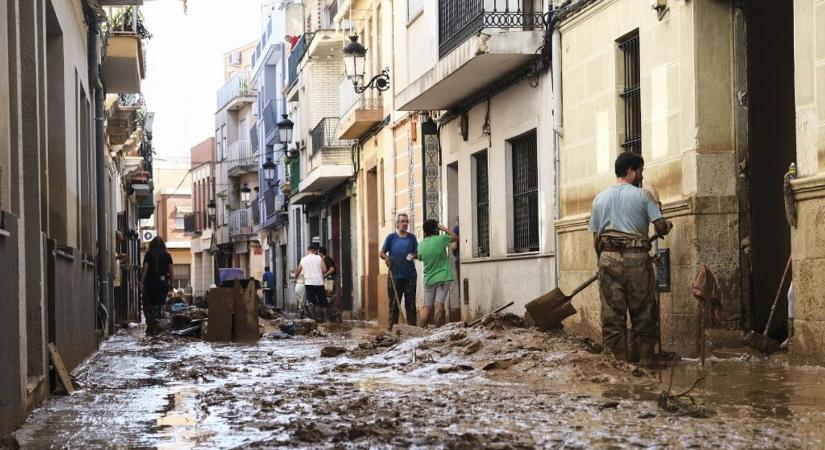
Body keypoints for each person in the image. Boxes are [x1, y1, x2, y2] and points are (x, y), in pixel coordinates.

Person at [589, 152, 672, 367]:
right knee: (644, 313)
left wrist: (602, 262)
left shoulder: (599, 198)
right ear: (630, 171)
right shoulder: (644, 195)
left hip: (608, 257)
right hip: (637, 259)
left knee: (612, 315)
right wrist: (663, 214)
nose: (641, 176)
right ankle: (645, 365)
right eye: (640, 171)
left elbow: (596, 238)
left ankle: (619, 367)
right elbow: (661, 227)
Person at [380, 213, 419, 329]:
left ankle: (412, 329)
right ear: (397, 224)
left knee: (410, 304)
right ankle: (392, 329)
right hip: (395, 275)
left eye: (407, 221)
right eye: (402, 221)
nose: (405, 224)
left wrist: (414, 255)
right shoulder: (391, 238)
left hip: (410, 275)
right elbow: (381, 252)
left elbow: (417, 254)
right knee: (393, 305)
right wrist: (387, 258)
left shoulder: (412, 238)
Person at [418, 219, 458, 328]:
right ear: (436, 230)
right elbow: (456, 237)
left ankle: (421, 330)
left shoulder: (421, 245)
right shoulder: (441, 239)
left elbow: (420, 258)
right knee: (439, 304)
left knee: (427, 307)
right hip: (443, 277)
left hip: (429, 279)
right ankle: (437, 330)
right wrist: (443, 228)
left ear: (425, 232)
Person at [140, 236, 174, 336]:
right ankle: (160, 325)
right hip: (163, 283)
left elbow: (145, 270)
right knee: (161, 304)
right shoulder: (168, 255)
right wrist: (171, 284)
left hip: (150, 283)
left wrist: (142, 282)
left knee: (152, 304)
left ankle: (152, 325)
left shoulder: (148, 255)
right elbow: (171, 272)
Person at [293, 245, 328, 321]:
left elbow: (298, 271)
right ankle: (324, 318)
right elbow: (325, 270)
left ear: (308, 250)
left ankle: (313, 318)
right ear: (315, 251)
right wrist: (318, 272)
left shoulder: (303, 259)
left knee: (311, 301)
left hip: (308, 282)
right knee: (322, 300)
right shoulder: (319, 258)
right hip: (319, 282)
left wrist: (295, 277)